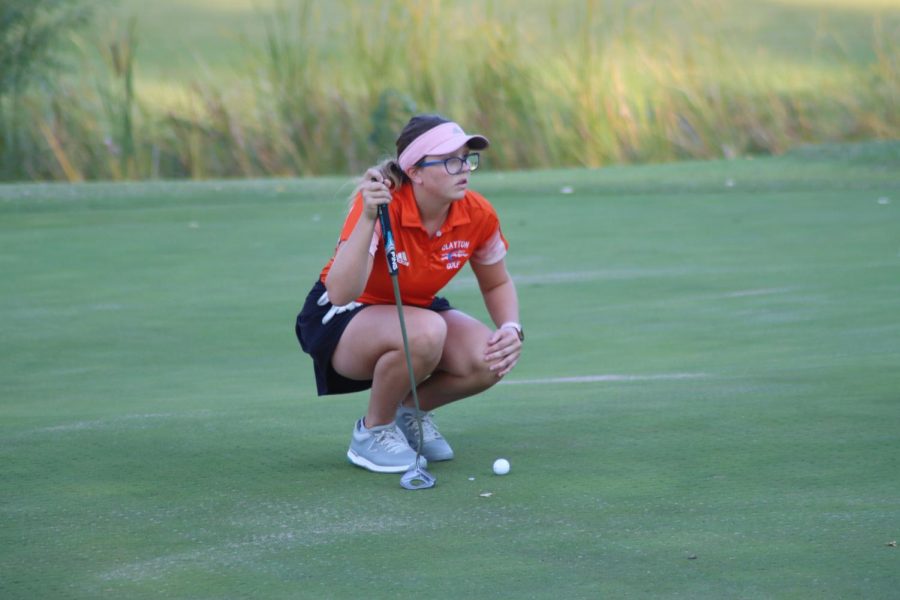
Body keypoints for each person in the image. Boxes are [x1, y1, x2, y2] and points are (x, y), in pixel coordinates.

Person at [295, 114, 523, 474]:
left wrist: (511, 326)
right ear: (415, 171)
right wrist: (369, 216)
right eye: (450, 161)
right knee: (426, 330)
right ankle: (372, 433)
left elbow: (496, 282)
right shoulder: (382, 205)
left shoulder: (477, 213)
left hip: (415, 309)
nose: (463, 168)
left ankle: (408, 413)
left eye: (467, 158)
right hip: (344, 317)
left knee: (490, 356)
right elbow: (339, 293)